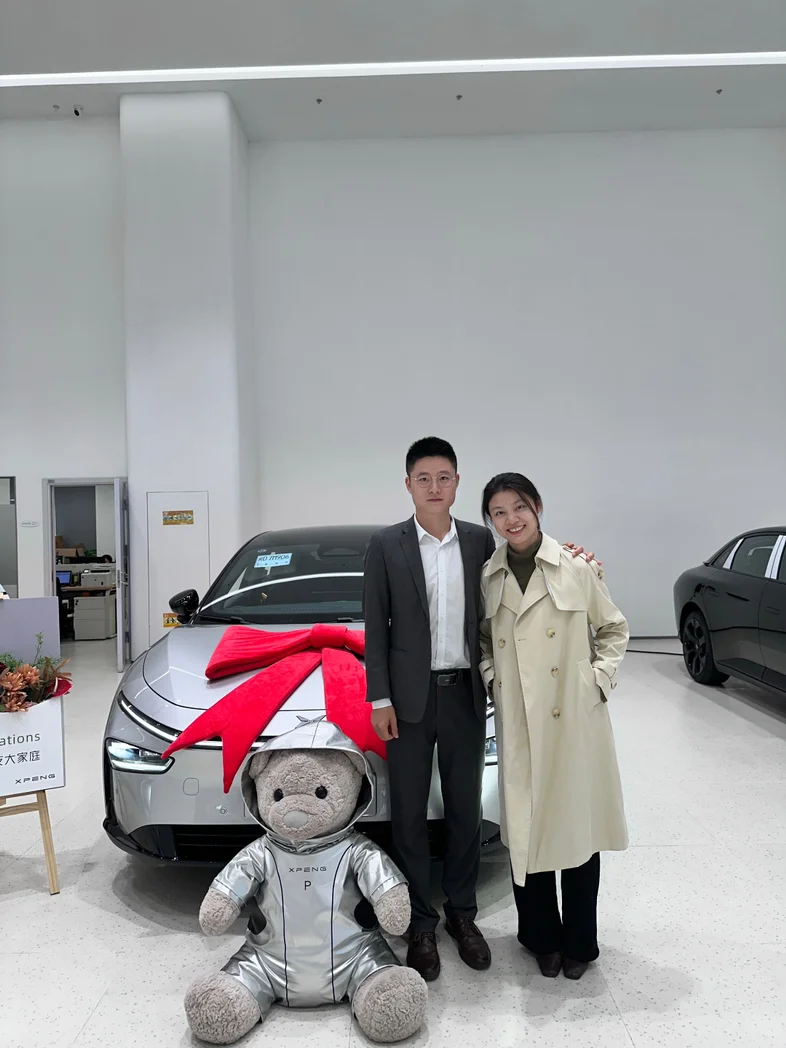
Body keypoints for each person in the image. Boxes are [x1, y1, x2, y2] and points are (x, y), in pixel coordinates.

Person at [363, 438, 597, 983]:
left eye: (444, 477)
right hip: (407, 701)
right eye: (424, 478)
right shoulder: (387, 545)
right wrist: (380, 698)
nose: (434, 487)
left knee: (466, 811)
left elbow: (521, 574)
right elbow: (376, 625)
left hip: (465, 693)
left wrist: (577, 556)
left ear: (457, 483)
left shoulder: (478, 542)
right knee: (409, 813)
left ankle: (462, 914)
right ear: (408, 484)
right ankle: (421, 923)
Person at [479, 472, 629, 981]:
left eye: (519, 507)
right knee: (526, 825)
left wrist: (596, 682)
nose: (511, 520)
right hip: (519, 715)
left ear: (537, 506)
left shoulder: (575, 567)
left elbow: (613, 628)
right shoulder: (490, 576)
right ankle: (540, 937)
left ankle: (580, 942)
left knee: (575, 824)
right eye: (499, 512)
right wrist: (493, 677)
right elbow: (483, 639)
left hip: (572, 718)